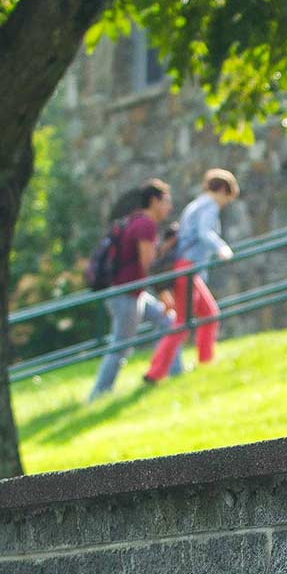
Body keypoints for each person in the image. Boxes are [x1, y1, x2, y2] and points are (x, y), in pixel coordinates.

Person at [146, 168, 238, 383]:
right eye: (228, 197)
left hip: (185, 267)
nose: (225, 203)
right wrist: (221, 248)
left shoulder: (194, 205)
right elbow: (205, 233)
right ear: (223, 190)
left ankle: (205, 362)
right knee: (183, 321)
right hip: (188, 268)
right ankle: (155, 372)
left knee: (208, 314)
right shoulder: (209, 206)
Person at [87, 179, 174, 400]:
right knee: (121, 347)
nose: (169, 207)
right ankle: (98, 395)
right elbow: (149, 264)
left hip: (132, 293)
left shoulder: (133, 220)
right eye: (166, 201)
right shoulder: (145, 224)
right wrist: (164, 292)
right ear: (154, 201)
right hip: (126, 295)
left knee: (169, 323)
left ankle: (173, 373)